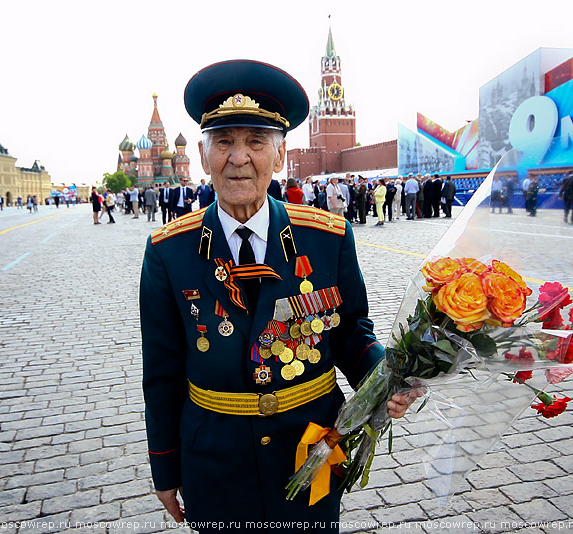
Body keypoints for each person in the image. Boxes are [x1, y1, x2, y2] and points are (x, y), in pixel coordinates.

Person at [140, 59, 411, 534]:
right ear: (204, 157)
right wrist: (165, 468)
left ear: (280, 156)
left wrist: (387, 374)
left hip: (311, 450)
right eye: (223, 142)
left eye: (255, 142)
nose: (238, 157)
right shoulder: (169, 251)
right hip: (214, 460)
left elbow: (351, 332)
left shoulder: (327, 237)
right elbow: (161, 372)